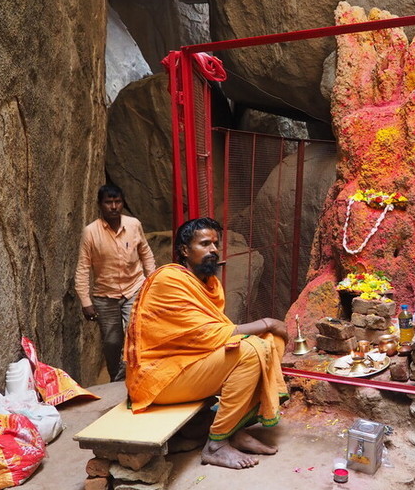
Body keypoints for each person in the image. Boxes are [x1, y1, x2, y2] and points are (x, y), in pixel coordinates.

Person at [124, 217, 289, 470]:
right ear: (184, 250)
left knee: (269, 342)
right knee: (251, 350)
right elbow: (208, 335)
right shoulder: (168, 280)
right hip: (158, 377)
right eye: (204, 244)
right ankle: (216, 445)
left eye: (215, 243)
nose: (213, 249)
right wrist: (267, 321)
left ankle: (235, 429)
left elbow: (212, 337)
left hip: (190, 364)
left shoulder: (209, 283)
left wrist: (268, 330)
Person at [75, 184, 156, 382]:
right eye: (108, 202)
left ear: (122, 203)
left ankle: (137, 377)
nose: (113, 206)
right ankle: (116, 381)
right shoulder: (90, 232)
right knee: (112, 342)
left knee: (136, 334)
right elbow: (83, 268)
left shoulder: (134, 225)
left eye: (117, 202)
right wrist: (86, 302)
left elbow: (146, 254)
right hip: (105, 296)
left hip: (134, 289)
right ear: (100, 205)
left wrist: (152, 282)